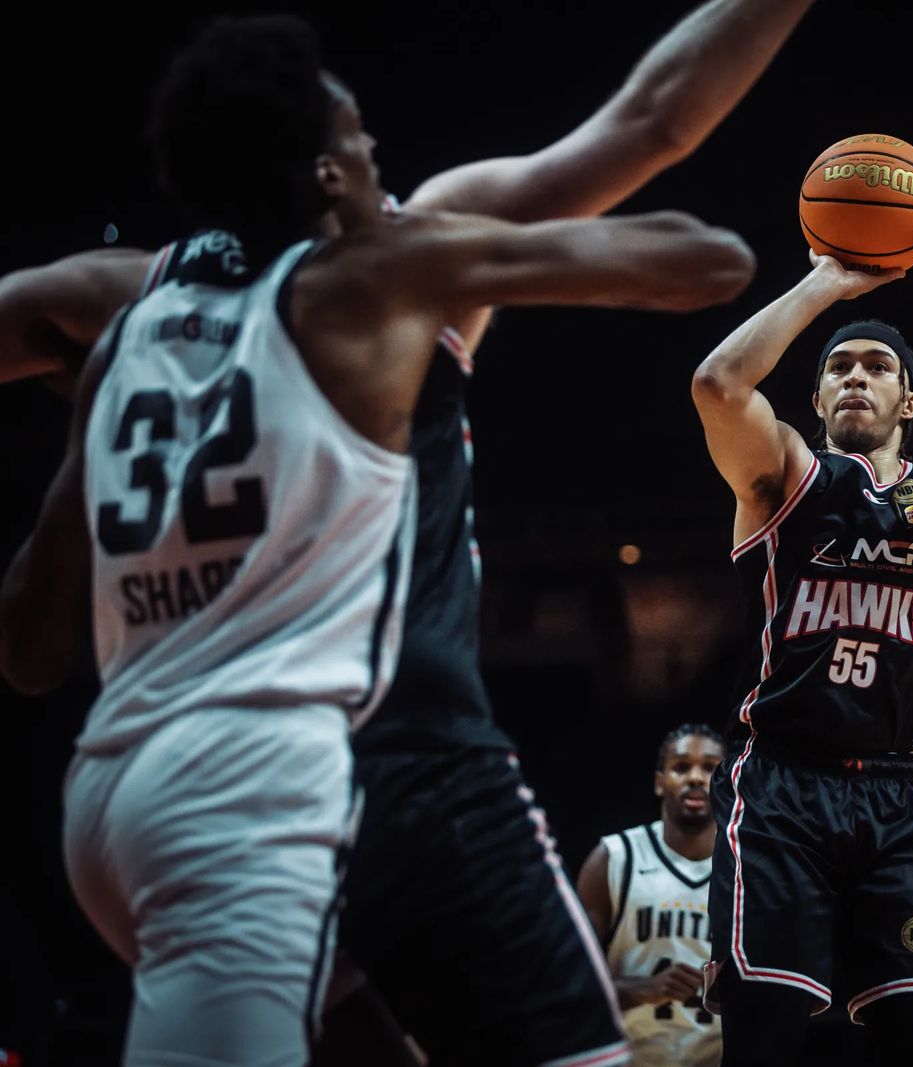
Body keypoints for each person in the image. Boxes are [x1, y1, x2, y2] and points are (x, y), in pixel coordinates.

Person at [0, 3, 815, 1062]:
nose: (377, 150)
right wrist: (461, 259)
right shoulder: (401, 263)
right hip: (348, 761)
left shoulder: (124, 318)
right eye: (356, 135)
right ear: (325, 173)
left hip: (120, 789)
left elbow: (27, 647)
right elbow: (672, 185)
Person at [688, 164, 913, 1065]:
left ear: (909, 402)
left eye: (876, 365)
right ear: (814, 400)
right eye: (838, 366)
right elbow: (718, 383)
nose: (854, 376)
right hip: (778, 787)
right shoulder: (785, 478)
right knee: (760, 1045)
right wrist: (829, 281)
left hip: (897, 796)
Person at [576, 723, 727, 1067]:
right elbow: (571, 988)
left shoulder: (748, 869)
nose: (695, 778)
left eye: (709, 768)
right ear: (660, 782)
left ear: (727, 782)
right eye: (681, 766)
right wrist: (641, 989)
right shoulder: (614, 859)